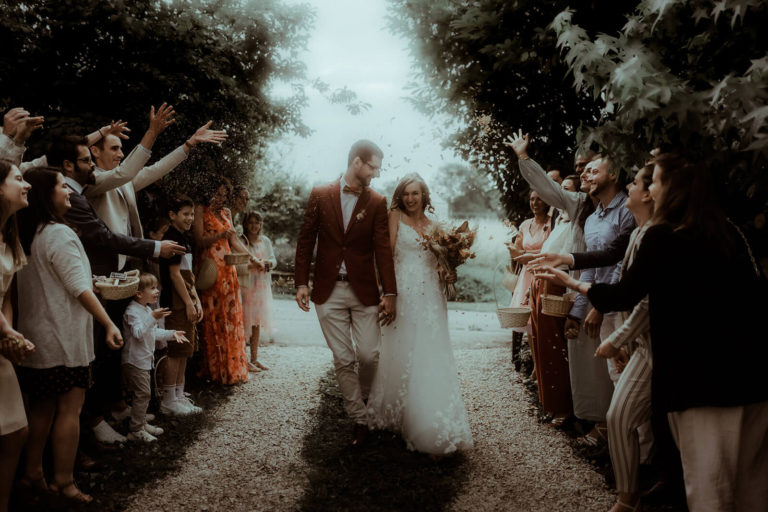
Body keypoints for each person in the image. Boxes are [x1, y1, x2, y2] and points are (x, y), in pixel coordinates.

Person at [535, 152, 768, 512]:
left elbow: (625, 294)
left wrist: (571, 283)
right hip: (753, 379)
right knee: (753, 490)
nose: (638, 185)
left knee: (710, 491)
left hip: (702, 384)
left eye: (652, 180)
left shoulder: (662, 236)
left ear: (668, 190)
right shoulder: (728, 230)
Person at [15, 167, 123, 504]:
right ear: (47, 195)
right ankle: (64, 482)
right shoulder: (59, 234)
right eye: (63, 187)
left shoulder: (26, 233)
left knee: (43, 409)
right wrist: (108, 323)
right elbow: (79, 289)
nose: (69, 193)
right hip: (62, 338)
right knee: (70, 410)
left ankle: (32, 472)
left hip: (35, 336)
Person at [504, 129, 609, 442]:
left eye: (587, 165)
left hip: (597, 290)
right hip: (575, 286)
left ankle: (601, 423)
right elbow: (547, 189)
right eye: (578, 167)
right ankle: (586, 417)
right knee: (580, 356)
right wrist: (523, 157)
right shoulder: (579, 204)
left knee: (597, 358)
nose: (581, 171)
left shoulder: (609, 209)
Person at [294, 139, 397, 447]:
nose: (376, 174)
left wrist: (389, 292)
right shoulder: (319, 194)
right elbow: (305, 240)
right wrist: (301, 282)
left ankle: (366, 396)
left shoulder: (377, 202)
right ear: (357, 163)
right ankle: (359, 420)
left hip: (363, 289)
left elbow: (382, 249)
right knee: (343, 358)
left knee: (369, 354)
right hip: (327, 290)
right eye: (373, 167)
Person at [366, 173, 473, 456]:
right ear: (400, 196)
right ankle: (395, 414)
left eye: (415, 193)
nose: (410, 199)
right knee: (398, 349)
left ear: (424, 196)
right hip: (402, 291)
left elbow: (441, 262)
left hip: (432, 298)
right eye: (406, 193)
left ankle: (428, 416)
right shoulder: (394, 217)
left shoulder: (436, 225)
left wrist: (446, 269)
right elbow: (385, 256)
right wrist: (386, 292)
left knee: (430, 351)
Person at [87, 107, 228, 271]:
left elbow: (156, 169)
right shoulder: (91, 180)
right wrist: (152, 132)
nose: (120, 154)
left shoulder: (124, 181)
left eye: (120, 148)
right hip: (101, 264)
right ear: (95, 151)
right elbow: (124, 172)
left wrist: (189, 144)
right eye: (114, 149)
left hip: (128, 262)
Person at [193, 176, 253, 385]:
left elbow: (234, 240)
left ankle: (232, 369)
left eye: (224, 194)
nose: (221, 198)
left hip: (229, 269)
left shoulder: (225, 213)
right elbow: (198, 241)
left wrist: (254, 258)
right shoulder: (200, 209)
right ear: (208, 192)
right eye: (217, 193)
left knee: (231, 317)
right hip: (211, 269)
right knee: (215, 318)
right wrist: (220, 236)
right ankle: (216, 371)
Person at [0, 160, 34, 512]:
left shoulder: (10, 235)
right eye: (19, 179)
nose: (26, 185)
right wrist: (7, 331)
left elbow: (6, 294)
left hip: (0, 340)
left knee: (15, 432)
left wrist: (9, 335)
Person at [122, 273, 187, 441]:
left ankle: (140, 423)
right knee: (143, 394)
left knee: (144, 393)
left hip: (143, 360)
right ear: (139, 294)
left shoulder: (146, 309)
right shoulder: (132, 311)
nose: (157, 291)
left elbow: (153, 332)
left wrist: (172, 334)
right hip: (134, 361)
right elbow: (138, 333)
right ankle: (135, 430)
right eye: (152, 288)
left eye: (156, 287)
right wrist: (152, 318)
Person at [159, 195, 203, 414]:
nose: (190, 218)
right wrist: (187, 303)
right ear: (172, 215)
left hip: (186, 300)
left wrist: (197, 301)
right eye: (185, 214)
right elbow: (175, 275)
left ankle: (178, 394)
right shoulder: (173, 239)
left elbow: (188, 276)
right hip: (176, 302)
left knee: (185, 350)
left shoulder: (185, 238)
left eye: (192, 214)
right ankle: (168, 399)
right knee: (176, 350)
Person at [239, 211, 275, 371]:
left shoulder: (265, 241)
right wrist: (253, 265)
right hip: (246, 287)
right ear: (245, 224)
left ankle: (255, 358)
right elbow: (236, 266)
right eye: (251, 222)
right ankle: (243, 359)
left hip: (261, 287)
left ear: (261, 224)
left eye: (257, 222)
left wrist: (265, 264)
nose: (254, 226)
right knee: (244, 322)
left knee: (256, 323)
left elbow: (273, 261)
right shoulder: (241, 241)